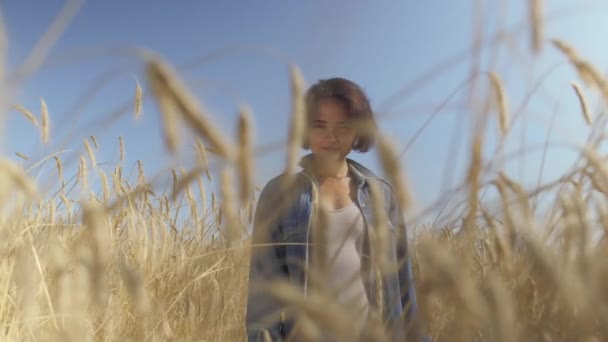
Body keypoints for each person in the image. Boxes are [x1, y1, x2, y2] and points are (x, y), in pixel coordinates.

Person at [245, 77, 424, 341]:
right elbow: (263, 289)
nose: (331, 136)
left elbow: (403, 283)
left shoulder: (380, 193)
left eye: (343, 126)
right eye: (320, 125)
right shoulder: (280, 193)